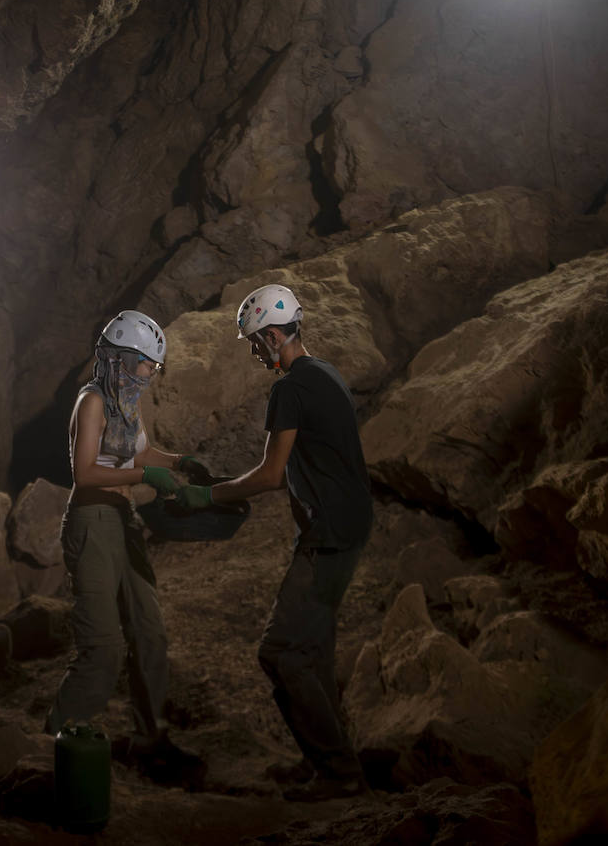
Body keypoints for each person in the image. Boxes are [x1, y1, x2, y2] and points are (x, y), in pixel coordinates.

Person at [176, 284, 372, 801]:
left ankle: (338, 772)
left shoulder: (289, 389)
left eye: (254, 341)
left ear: (272, 334)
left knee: (281, 653)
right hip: (347, 528)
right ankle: (328, 764)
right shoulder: (326, 373)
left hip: (328, 535)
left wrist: (206, 496)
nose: (252, 351)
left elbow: (269, 475)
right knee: (315, 654)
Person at [44, 310, 210, 765]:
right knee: (104, 647)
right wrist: (147, 474)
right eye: (145, 365)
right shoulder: (93, 402)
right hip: (94, 521)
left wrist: (178, 462)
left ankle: (149, 739)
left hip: (124, 519)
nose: (149, 375)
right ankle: (52, 749)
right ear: (119, 359)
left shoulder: (125, 402)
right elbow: (84, 472)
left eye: (153, 367)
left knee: (149, 632)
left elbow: (141, 451)